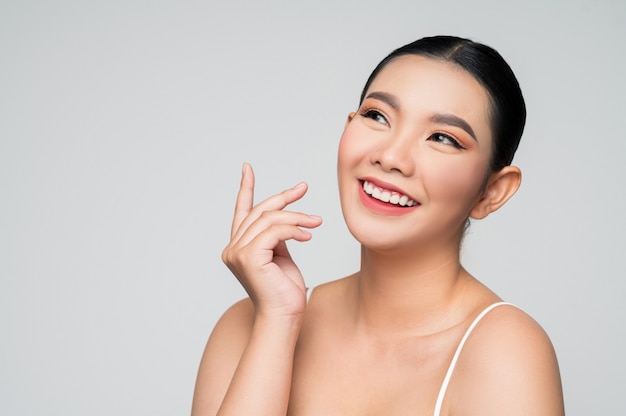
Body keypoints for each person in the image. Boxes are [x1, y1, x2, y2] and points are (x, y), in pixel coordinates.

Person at [191, 35, 565, 415]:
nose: (390, 157)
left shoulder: (505, 351)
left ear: (493, 191)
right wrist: (277, 322)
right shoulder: (247, 325)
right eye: (377, 116)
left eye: (442, 138)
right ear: (348, 125)